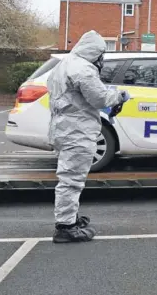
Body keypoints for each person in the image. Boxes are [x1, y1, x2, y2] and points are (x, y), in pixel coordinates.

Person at [47, 30, 130, 243]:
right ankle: (65, 227)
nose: (102, 60)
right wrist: (119, 96)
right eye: (101, 55)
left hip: (62, 128)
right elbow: (99, 98)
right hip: (77, 131)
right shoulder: (83, 69)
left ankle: (69, 217)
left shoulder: (64, 65)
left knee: (69, 175)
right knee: (72, 179)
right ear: (95, 52)